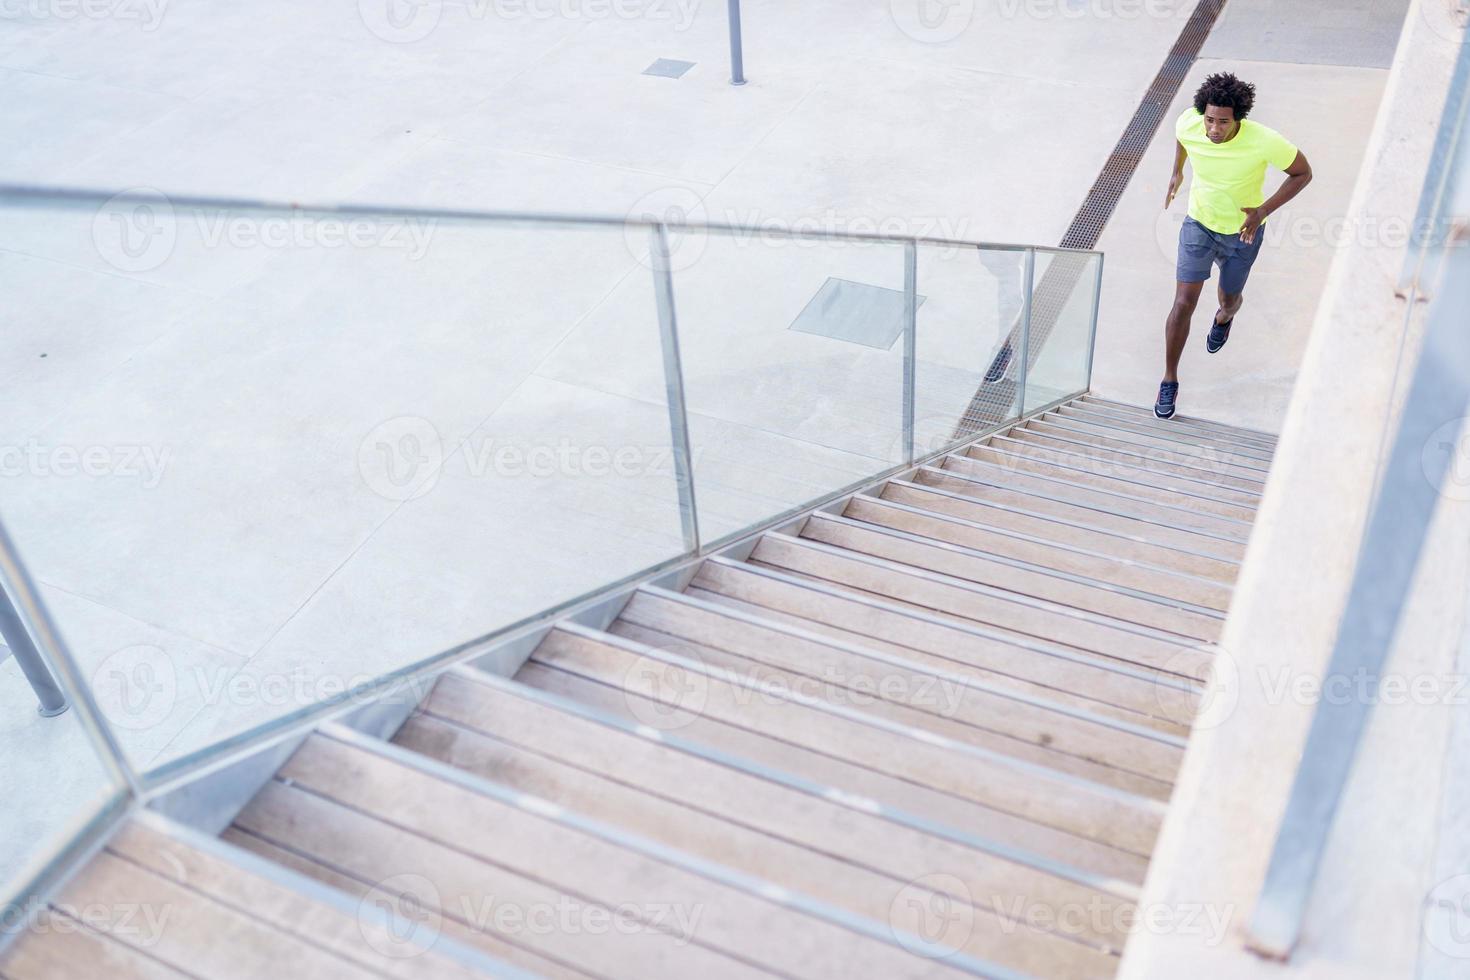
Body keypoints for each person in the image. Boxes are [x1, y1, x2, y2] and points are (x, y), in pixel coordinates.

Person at [1155, 71, 1313, 419]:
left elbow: (1303, 172)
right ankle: (1169, 379)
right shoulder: (1190, 122)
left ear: (1238, 118)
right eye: (1210, 119)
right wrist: (1176, 171)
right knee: (1183, 302)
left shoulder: (1264, 140)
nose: (1213, 129)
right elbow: (1182, 136)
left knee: (1228, 299)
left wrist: (1262, 211)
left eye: (1223, 122)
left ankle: (1224, 317)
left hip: (1244, 232)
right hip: (1199, 224)